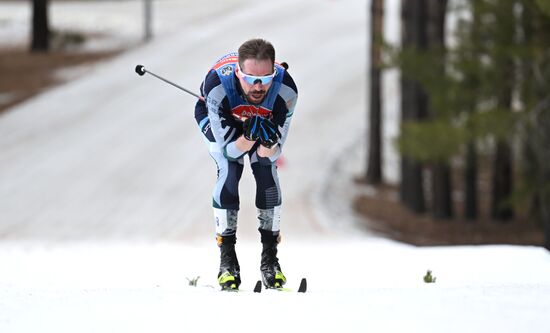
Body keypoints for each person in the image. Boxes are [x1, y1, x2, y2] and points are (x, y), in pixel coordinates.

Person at [194, 38, 298, 291]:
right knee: (230, 171)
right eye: (251, 79)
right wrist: (248, 136)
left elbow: (269, 155)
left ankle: (270, 260)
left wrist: (268, 139)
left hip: (263, 119)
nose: (259, 86)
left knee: (266, 173)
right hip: (222, 117)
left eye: (266, 78)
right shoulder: (218, 87)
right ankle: (227, 261)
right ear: (239, 73)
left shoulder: (286, 90)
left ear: (275, 71)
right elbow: (230, 152)